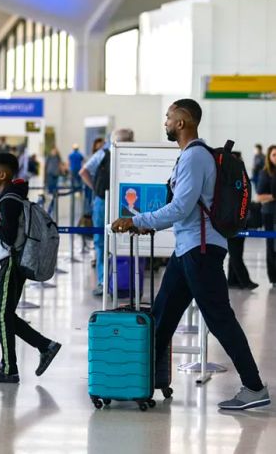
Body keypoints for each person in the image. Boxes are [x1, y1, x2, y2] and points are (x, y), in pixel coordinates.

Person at [112, 98, 270, 410]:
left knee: (220, 319)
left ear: (182, 122)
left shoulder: (195, 157)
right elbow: (186, 210)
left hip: (200, 251)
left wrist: (138, 220)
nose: (166, 122)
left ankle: (254, 387)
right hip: (188, 250)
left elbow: (181, 207)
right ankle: (141, 382)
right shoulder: (191, 156)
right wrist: (149, 225)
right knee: (161, 317)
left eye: (169, 117)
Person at [0, 152, 62, 384]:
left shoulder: (8, 200)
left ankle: (9, 369)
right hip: (15, 260)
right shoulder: (12, 196)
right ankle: (46, 346)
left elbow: (7, 235)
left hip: (12, 261)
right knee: (4, 313)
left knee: (1, 313)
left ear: (3, 174)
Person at [80, 129, 134, 296]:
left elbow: (83, 171)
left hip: (102, 200)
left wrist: (96, 190)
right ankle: (123, 282)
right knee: (126, 240)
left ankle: (104, 282)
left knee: (101, 242)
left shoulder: (102, 154)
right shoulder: (131, 155)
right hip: (125, 202)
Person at [227, 152, 258, 290]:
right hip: (233, 220)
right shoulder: (229, 179)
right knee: (235, 253)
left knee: (236, 251)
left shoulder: (240, 178)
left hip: (240, 219)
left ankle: (232, 280)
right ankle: (245, 281)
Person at [256, 144, 276, 288]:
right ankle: (274, 278)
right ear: (269, 157)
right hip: (270, 214)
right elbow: (259, 197)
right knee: (272, 247)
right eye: (274, 155)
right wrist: (274, 196)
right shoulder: (265, 173)